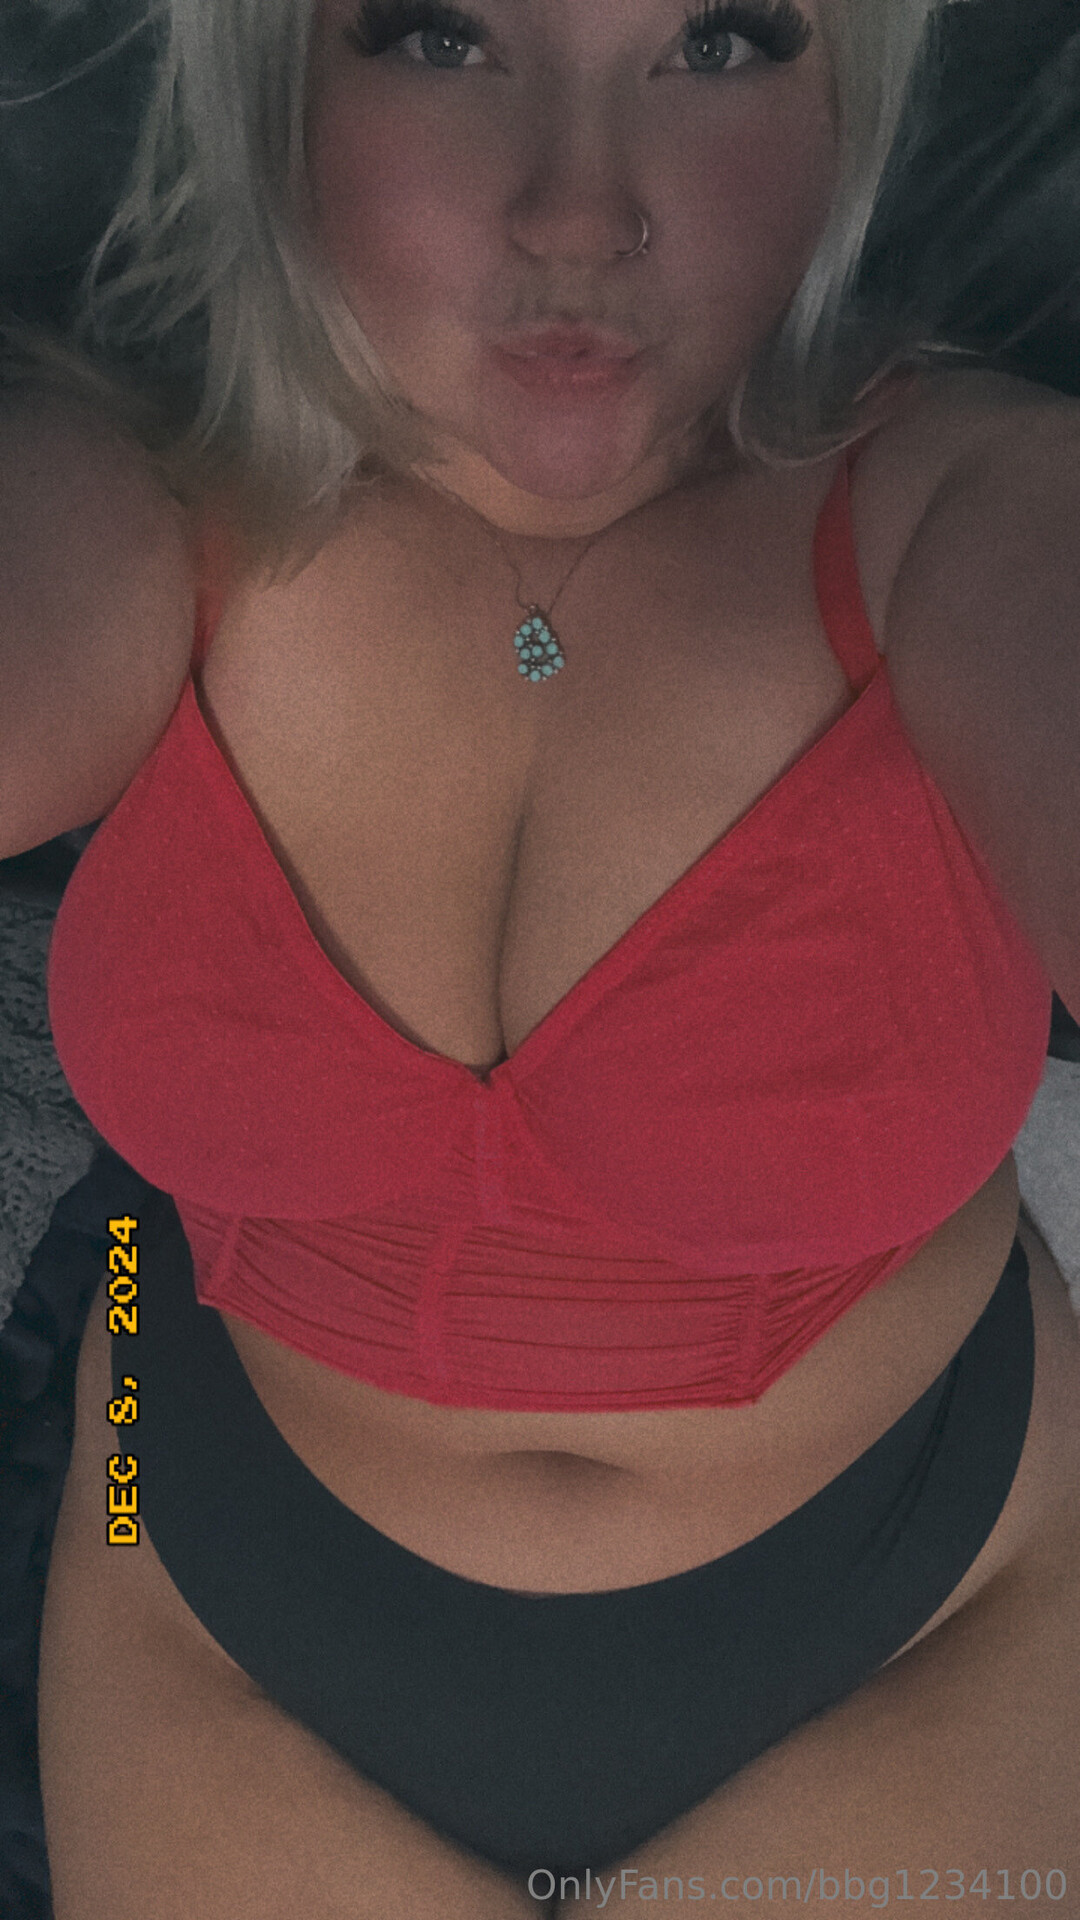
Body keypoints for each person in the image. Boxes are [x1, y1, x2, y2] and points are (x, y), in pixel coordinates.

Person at [4, 0, 1078, 1913]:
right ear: (281, 80)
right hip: (186, 1525)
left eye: (724, 41)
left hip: (924, 1604)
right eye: (440, 37)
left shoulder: (973, 505)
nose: (580, 212)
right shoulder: (132, 491)